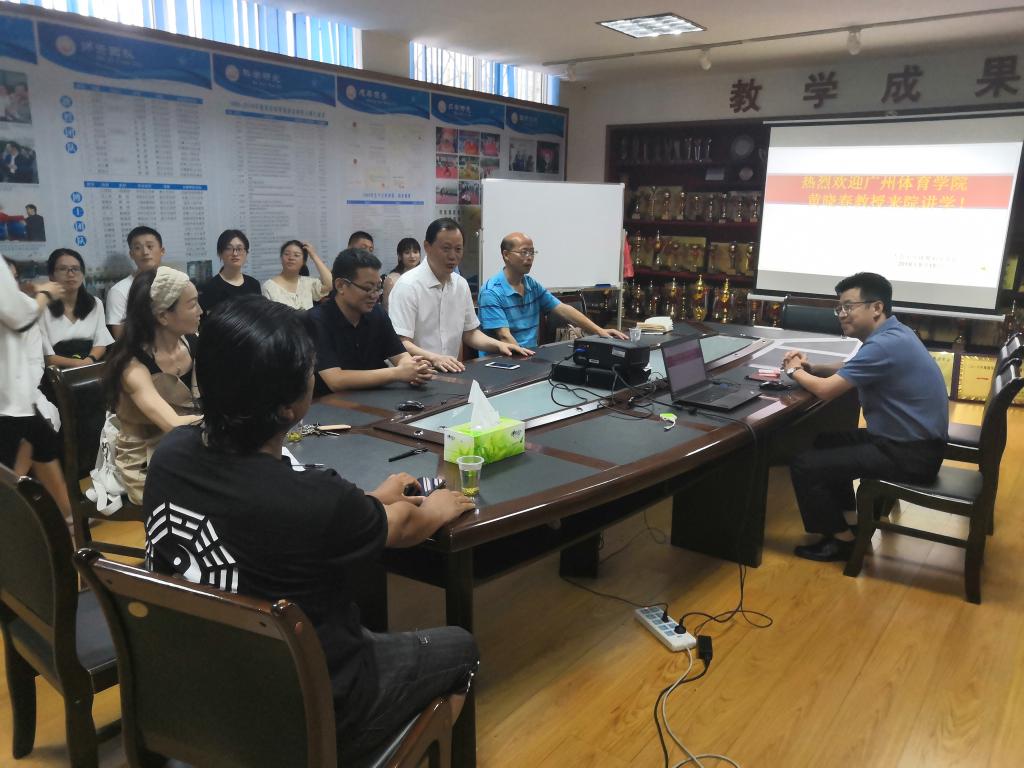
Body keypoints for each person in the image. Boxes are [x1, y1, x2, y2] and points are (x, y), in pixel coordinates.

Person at [143, 295, 479, 761]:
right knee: (461, 649)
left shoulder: (170, 454)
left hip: (192, 683)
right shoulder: (315, 499)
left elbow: (307, 514)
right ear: (290, 407)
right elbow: (403, 526)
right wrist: (438, 507)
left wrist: (371, 499)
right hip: (303, 707)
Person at [783, 272, 949, 562]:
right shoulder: (894, 333)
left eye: (848, 307)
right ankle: (850, 522)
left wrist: (793, 370)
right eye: (839, 308)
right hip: (911, 443)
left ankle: (842, 542)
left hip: (909, 454)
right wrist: (813, 368)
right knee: (824, 442)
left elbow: (825, 391)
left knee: (804, 465)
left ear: (876, 307)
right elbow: (850, 365)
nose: (841, 314)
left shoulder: (883, 345)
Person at [102, 267, 203, 505]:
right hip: (147, 462)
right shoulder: (133, 366)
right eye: (192, 305)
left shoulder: (192, 342)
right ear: (163, 316)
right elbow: (173, 425)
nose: (200, 311)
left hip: (188, 448)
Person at [388, 217, 532, 372]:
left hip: (450, 372)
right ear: (427, 247)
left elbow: (470, 333)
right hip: (417, 375)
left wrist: (500, 345)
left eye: (458, 249)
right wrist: (434, 358)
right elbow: (400, 342)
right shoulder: (407, 285)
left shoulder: (461, 285)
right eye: (446, 248)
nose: (452, 256)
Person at [0, 255, 72, 518]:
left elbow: (33, 361)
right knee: (9, 474)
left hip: (19, 396)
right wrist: (45, 294)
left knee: (42, 442)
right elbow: (22, 318)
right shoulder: (24, 306)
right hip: (7, 399)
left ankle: (68, 521)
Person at [307, 248, 433, 395]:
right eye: (368, 288)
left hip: (376, 398)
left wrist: (413, 368)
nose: (375, 295)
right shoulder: (316, 320)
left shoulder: (376, 313)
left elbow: (400, 356)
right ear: (341, 285)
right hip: (332, 404)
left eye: (378, 287)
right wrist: (398, 373)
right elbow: (335, 380)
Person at [479, 232, 628, 351]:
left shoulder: (531, 285)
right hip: (502, 361)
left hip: (529, 356)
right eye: (524, 252)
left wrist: (600, 331)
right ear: (506, 255)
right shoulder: (491, 292)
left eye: (532, 252)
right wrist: (526, 362)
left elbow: (563, 309)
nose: (529, 258)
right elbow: (504, 336)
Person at [40, 248, 113, 369]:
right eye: (63, 269)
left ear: (83, 274)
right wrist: (79, 364)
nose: (70, 274)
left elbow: (101, 341)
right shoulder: (41, 307)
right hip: (56, 371)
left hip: (91, 365)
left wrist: (89, 360)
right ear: (51, 276)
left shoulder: (95, 303)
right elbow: (46, 356)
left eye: (75, 269)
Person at [106, 226, 165, 340]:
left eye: (150, 246)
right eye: (138, 248)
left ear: (162, 251)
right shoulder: (118, 291)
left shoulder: (176, 281)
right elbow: (121, 339)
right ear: (131, 254)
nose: (145, 252)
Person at [199, 229, 261, 315]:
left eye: (239, 249)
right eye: (229, 248)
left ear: (246, 253)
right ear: (220, 253)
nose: (235, 253)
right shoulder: (210, 287)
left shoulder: (254, 284)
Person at [261, 240, 332, 310]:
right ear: (281, 258)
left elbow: (330, 284)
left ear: (304, 261)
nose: (291, 258)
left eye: (296, 255)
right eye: (286, 254)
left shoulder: (307, 283)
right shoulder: (269, 287)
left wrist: (314, 256)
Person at [381, 237, 421, 311]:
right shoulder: (392, 280)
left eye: (415, 252)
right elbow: (387, 309)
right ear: (399, 256)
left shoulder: (425, 276)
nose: (412, 256)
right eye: (407, 253)